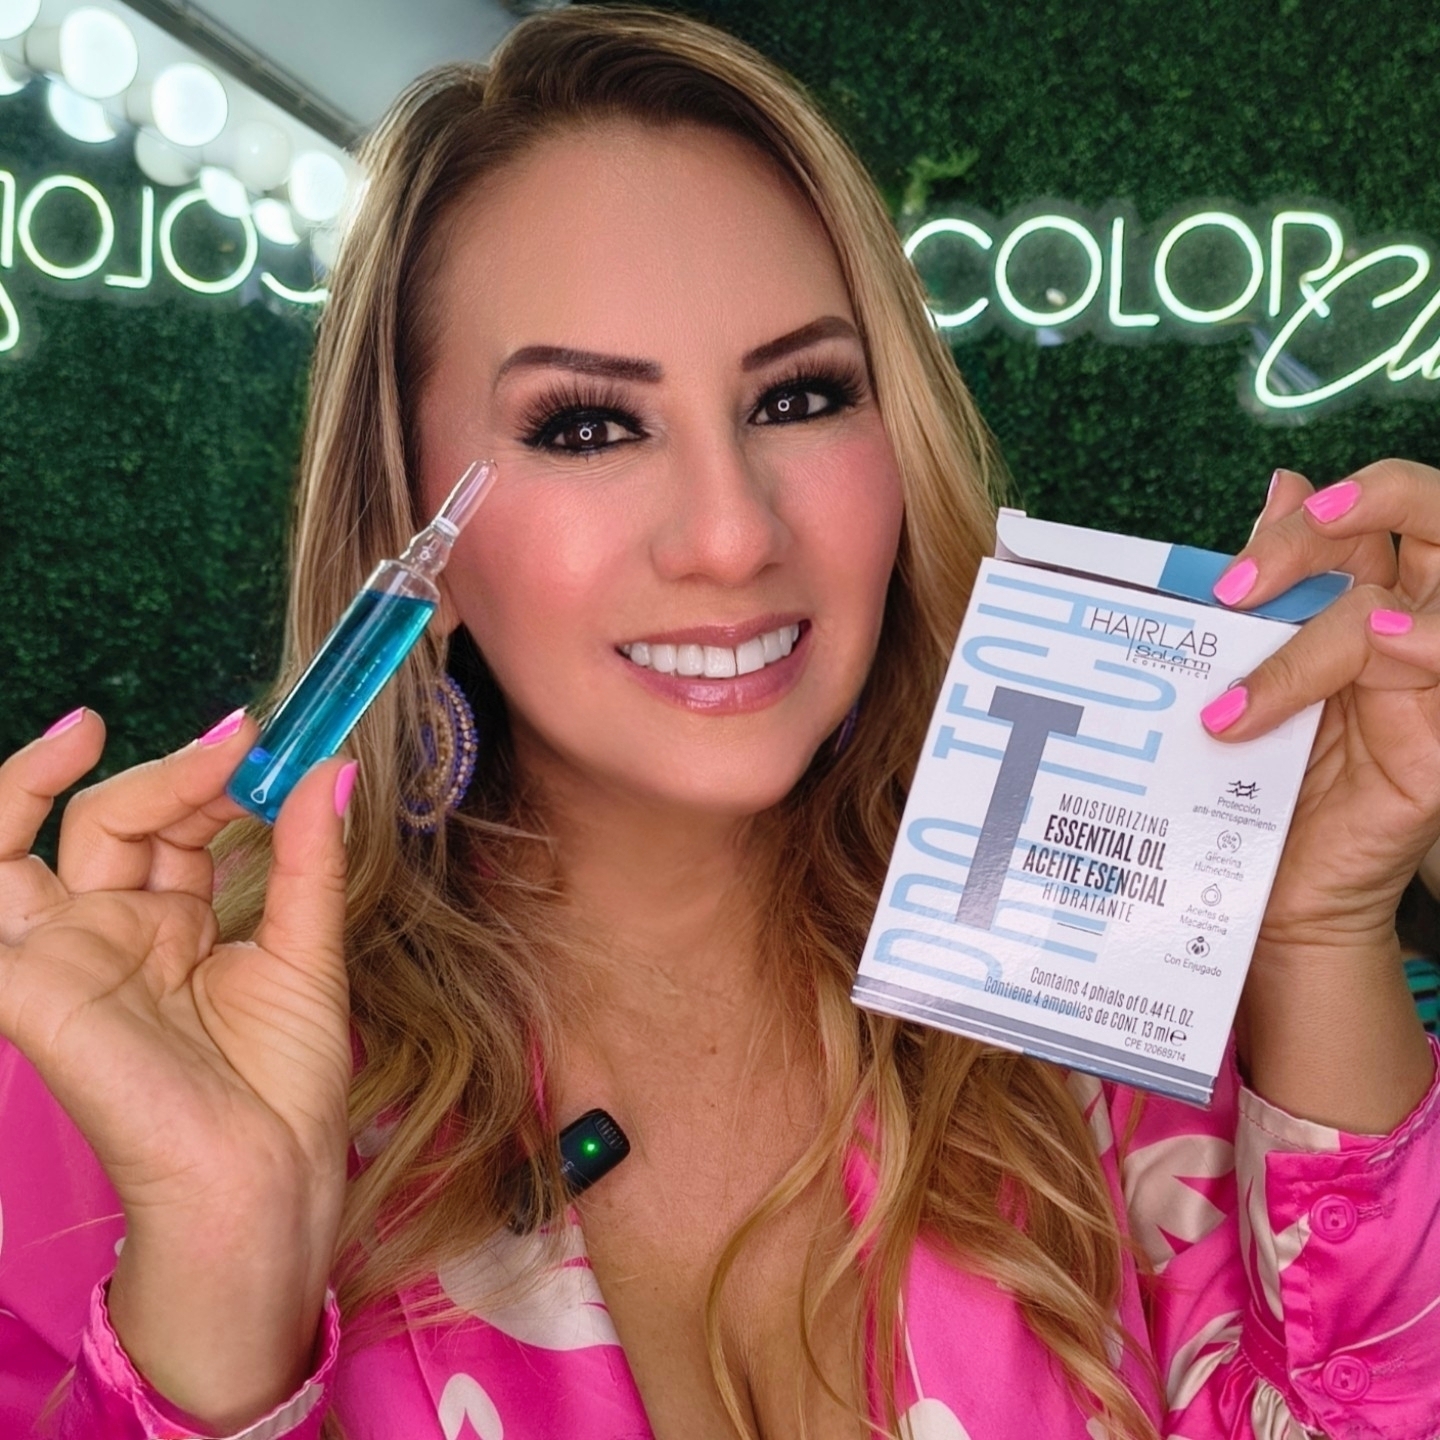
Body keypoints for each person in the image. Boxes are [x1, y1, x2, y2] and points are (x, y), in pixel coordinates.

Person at [1, 8, 1438, 1440]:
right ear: (411, 533)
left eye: (800, 396)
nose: (733, 534)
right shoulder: (130, 1068)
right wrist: (223, 1277)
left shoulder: (1093, 983)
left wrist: (1318, 937)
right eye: (585, 425)